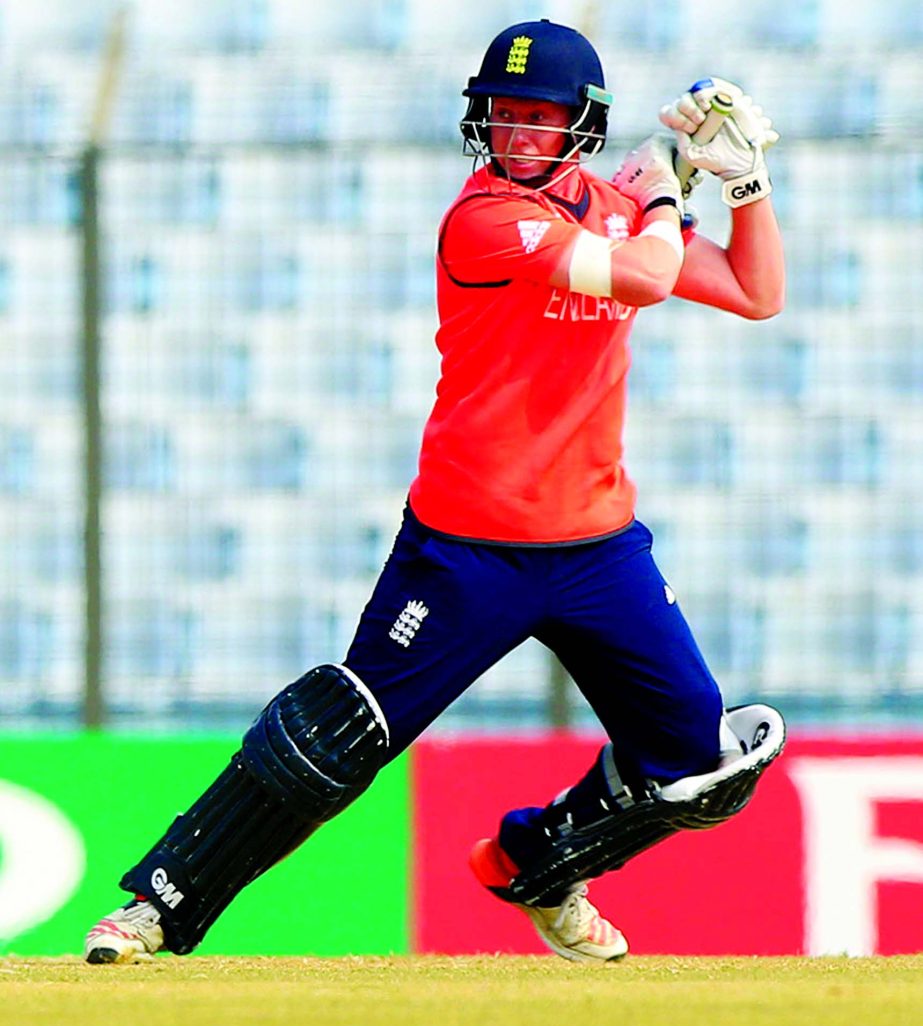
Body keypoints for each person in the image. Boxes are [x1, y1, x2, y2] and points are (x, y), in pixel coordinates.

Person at [85, 18, 786, 966]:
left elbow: (755, 292)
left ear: (581, 124)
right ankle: (156, 908)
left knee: (705, 767)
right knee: (331, 740)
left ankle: (534, 865)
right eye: (502, 117)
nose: (517, 137)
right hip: (466, 549)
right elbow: (649, 275)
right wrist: (664, 182)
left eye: (540, 118)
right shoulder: (485, 220)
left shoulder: (615, 206)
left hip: (596, 548)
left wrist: (743, 185)